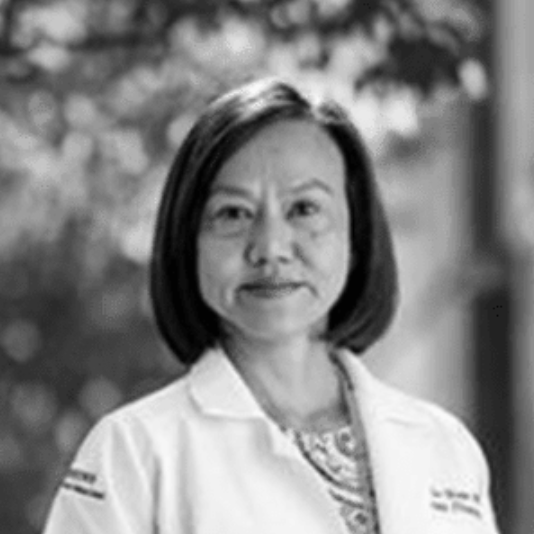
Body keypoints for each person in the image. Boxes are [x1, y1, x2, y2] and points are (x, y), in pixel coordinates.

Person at [42, 78, 500, 534]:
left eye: (304, 209)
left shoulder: (445, 446)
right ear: (189, 242)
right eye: (233, 213)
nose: (270, 248)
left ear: (356, 235)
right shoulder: (132, 453)